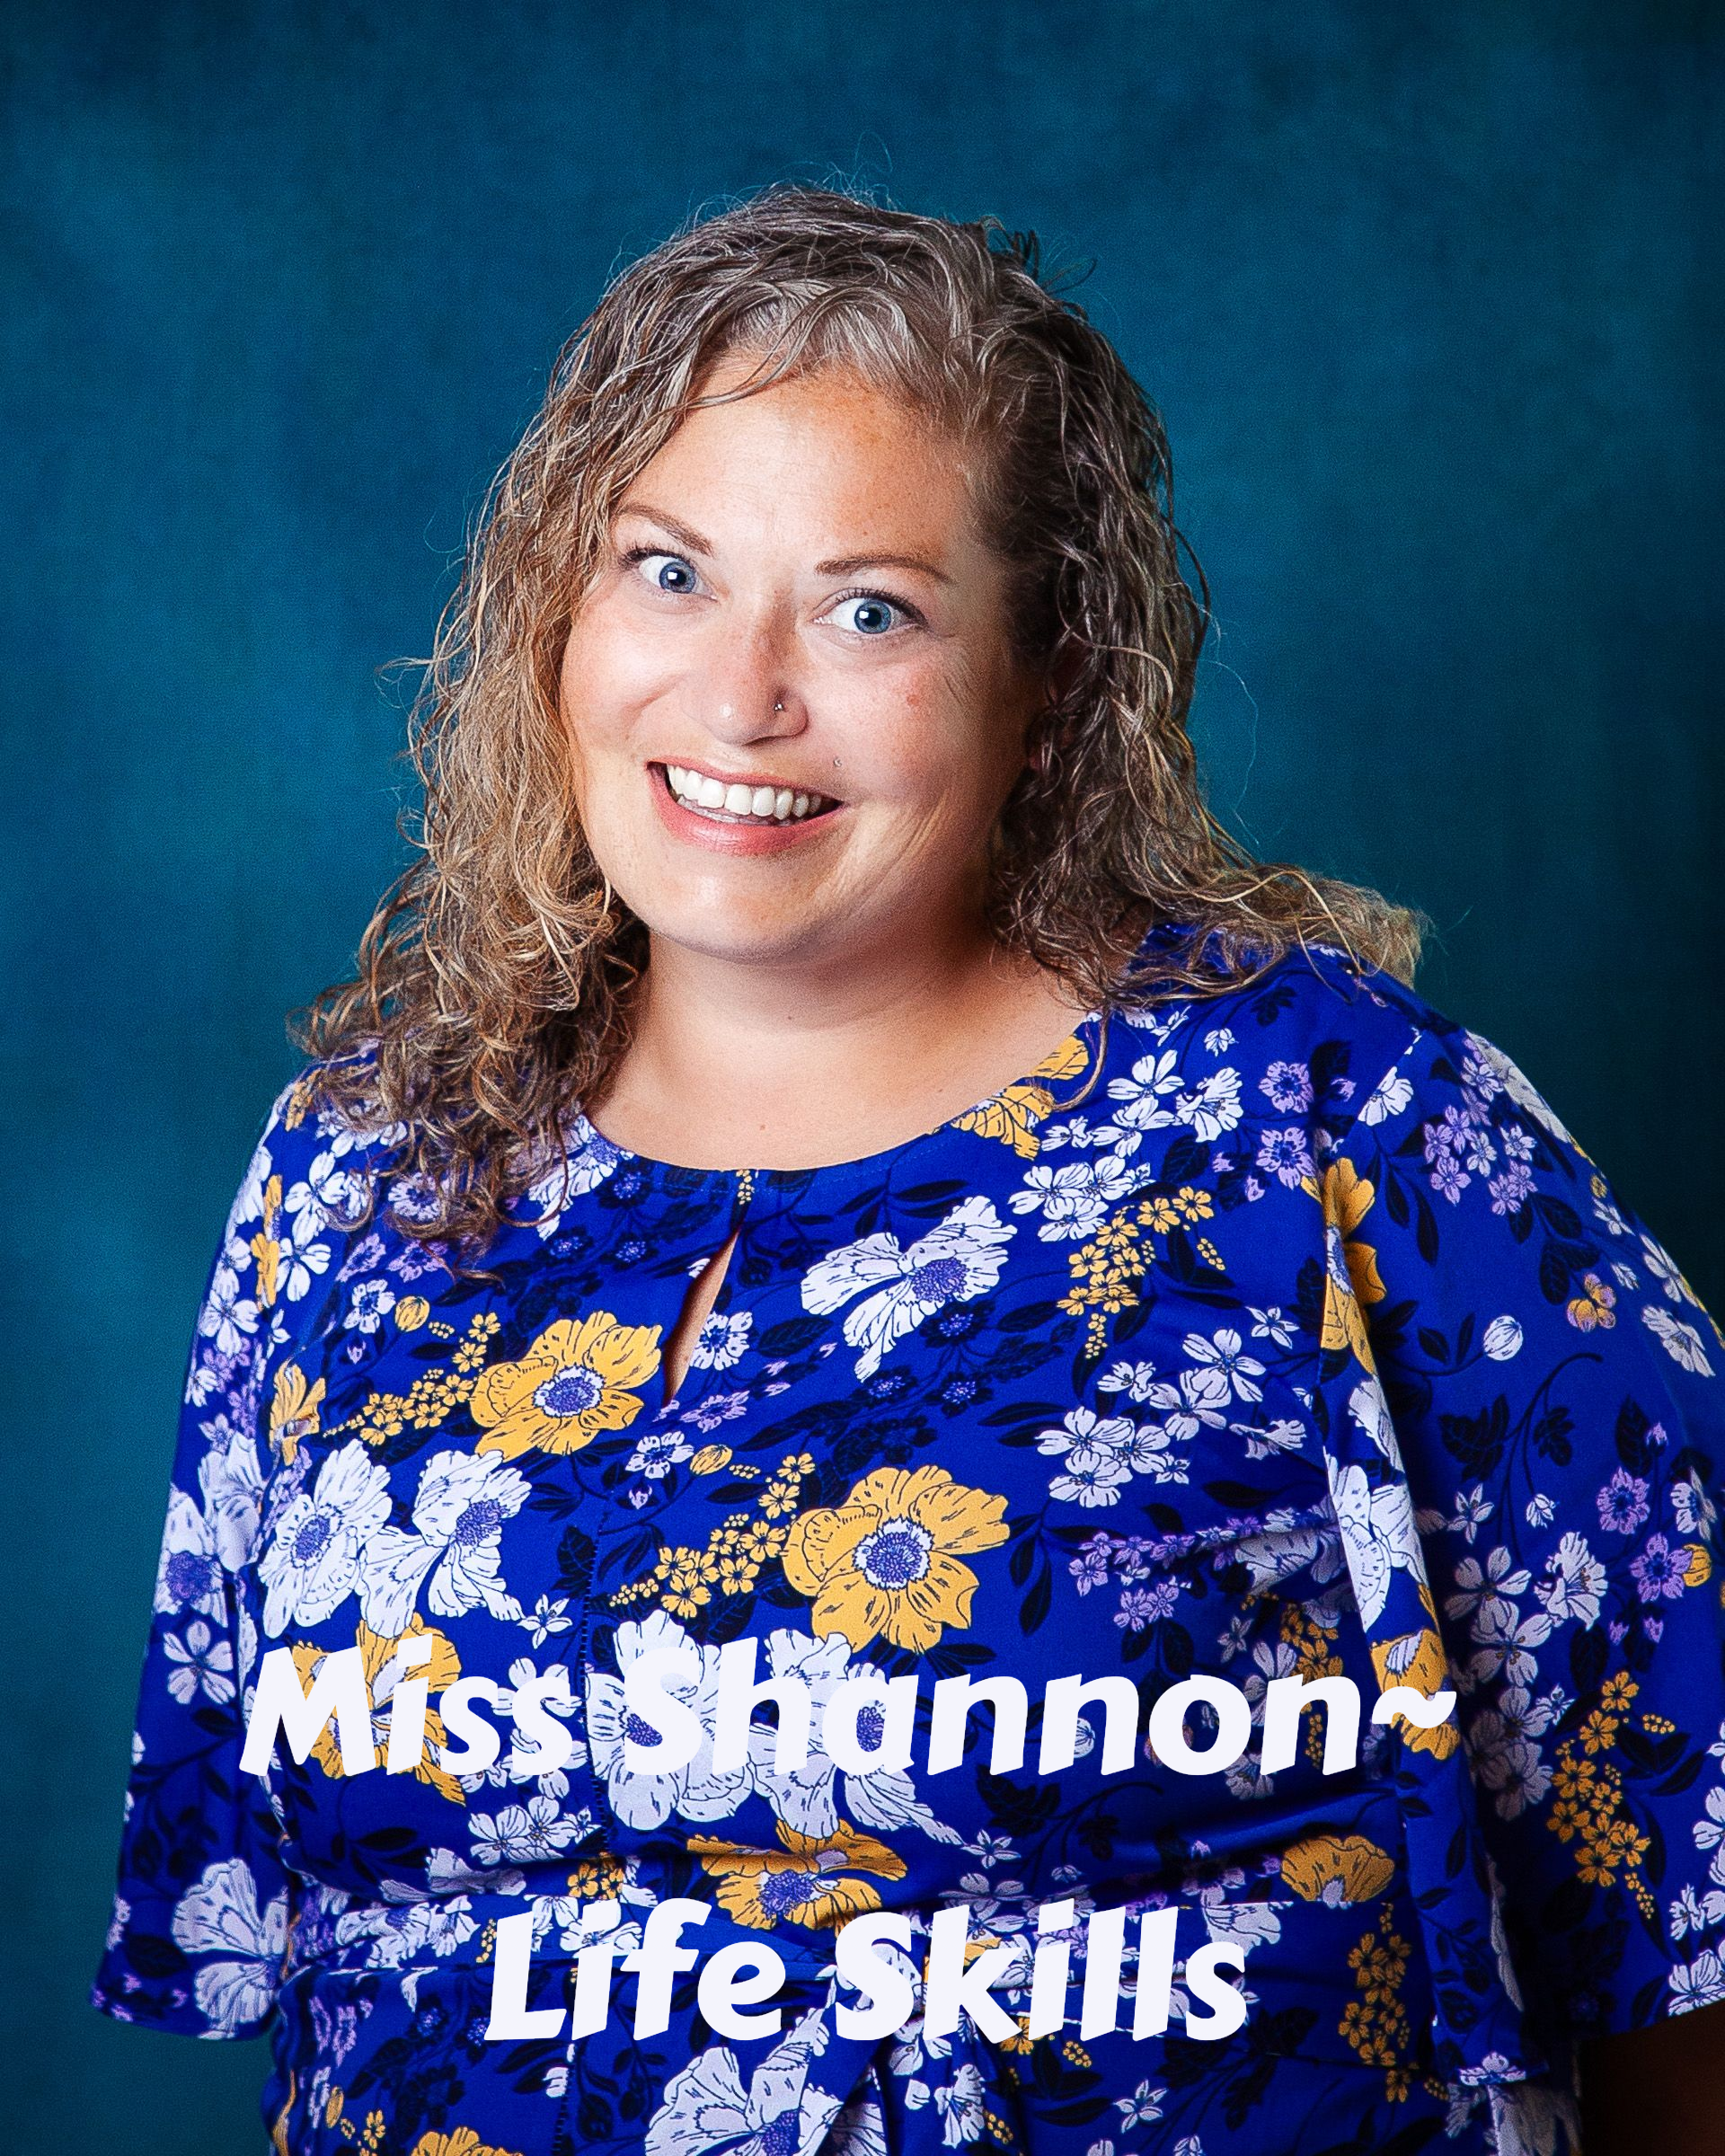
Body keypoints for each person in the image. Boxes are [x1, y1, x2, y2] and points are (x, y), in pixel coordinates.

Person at [94, 188, 1724, 2156]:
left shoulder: (1335, 1123)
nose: (740, 697)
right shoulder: (356, 1168)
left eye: (871, 608)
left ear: (1050, 689)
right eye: (667, 570)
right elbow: (333, 1959)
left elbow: (1689, 1898)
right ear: (556, 607)